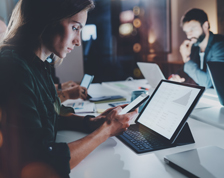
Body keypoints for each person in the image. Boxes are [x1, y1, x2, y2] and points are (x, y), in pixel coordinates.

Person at [0, 0, 138, 177]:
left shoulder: (36, 64)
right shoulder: (13, 67)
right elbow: (42, 161)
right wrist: (107, 130)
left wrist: (91, 122)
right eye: (75, 28)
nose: (78, 41)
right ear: (48, 19)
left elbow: (51, 116)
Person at [169, 8, 224, 88]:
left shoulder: (220, 45)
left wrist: (186, 59)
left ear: (205, 25)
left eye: (192, 29)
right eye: (186, 31)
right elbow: (183, 72)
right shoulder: (195, 47)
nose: (188, 36)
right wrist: (174, 77)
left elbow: (207, 82)